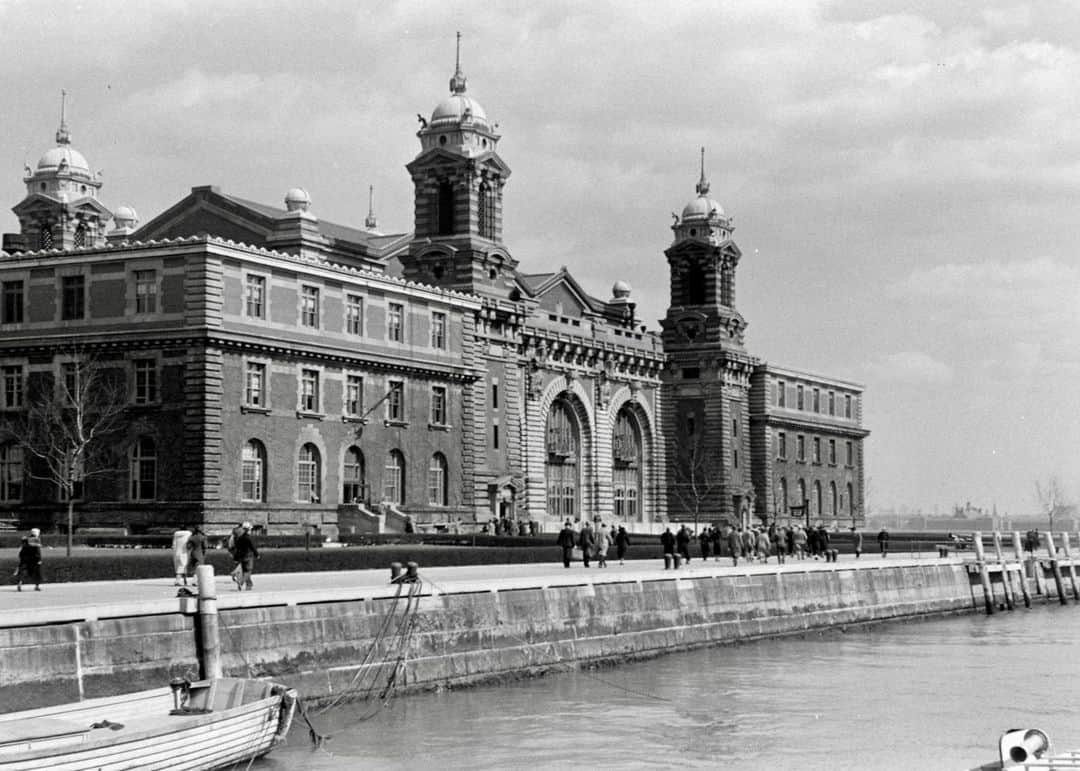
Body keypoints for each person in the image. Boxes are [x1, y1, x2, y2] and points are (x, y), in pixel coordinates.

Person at [233, 522, 259, 590]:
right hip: (248, 556)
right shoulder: (249, 538)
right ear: (249, 530)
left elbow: (237, 547)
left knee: (245, 571)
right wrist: (257, 554)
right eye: (250, 529)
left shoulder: (240, 538)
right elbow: (253, 547)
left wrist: (236, 557)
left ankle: (249, 585)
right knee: (248, 571)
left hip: (241, 556)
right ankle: (240, 582)